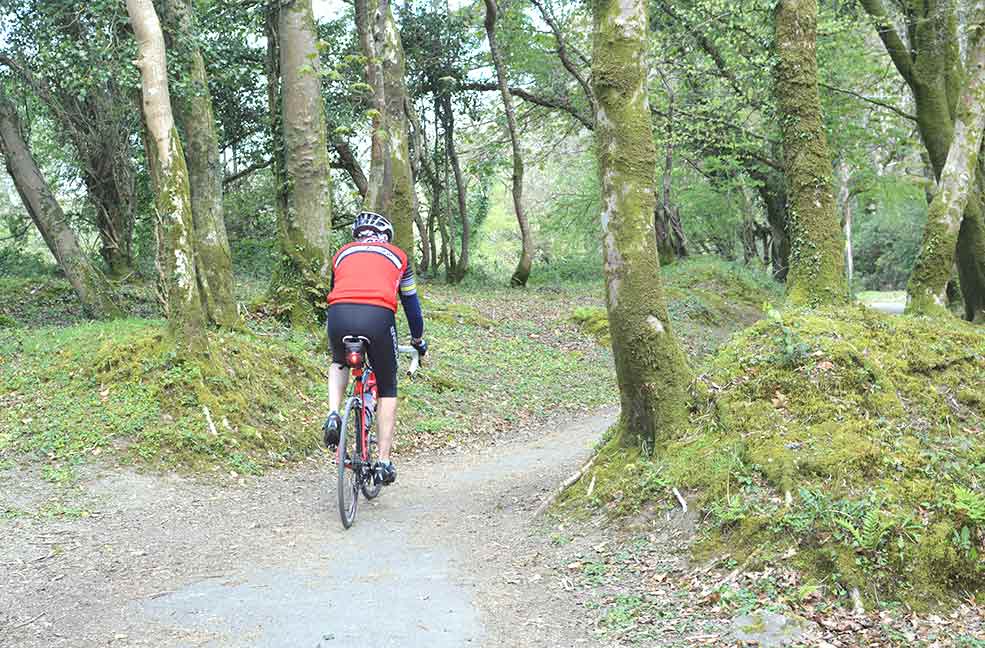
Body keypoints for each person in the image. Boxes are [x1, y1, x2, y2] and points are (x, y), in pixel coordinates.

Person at [322, 211, 427, 485]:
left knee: (338, 361)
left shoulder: (341, 254)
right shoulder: (399, 256)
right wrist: (418, 340)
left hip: (338, 313)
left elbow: (336, 288)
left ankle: (333, 413)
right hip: (377, 316)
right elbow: (411, 305)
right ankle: (383, 461)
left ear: (357, 235)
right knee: (387, 386)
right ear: (385, 236)